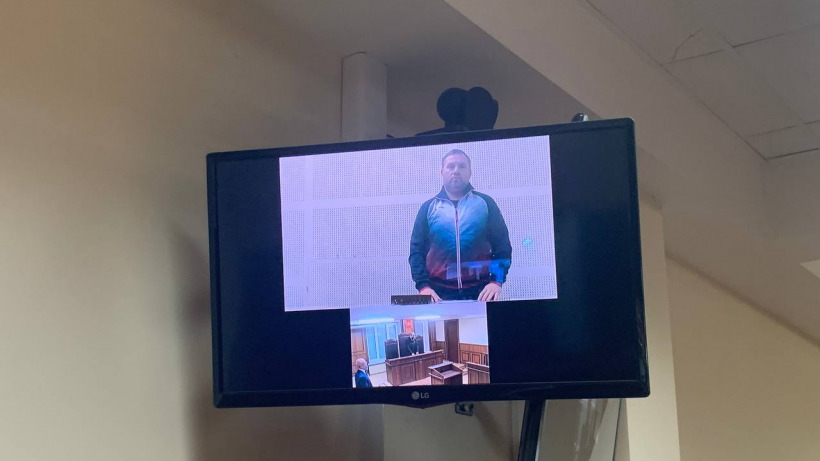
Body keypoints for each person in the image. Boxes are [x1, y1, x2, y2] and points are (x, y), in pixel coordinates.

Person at [409, 149, 512, 301]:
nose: (456, 171)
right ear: (442, 171)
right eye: (451, 166)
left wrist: (496, 281)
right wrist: (423, 287)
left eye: (462, 166)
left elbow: (502, 246)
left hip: (481, 293)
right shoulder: (428, 208)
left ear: (470, 172)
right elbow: (416, 251)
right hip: (437, 295)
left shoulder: (485, 204)